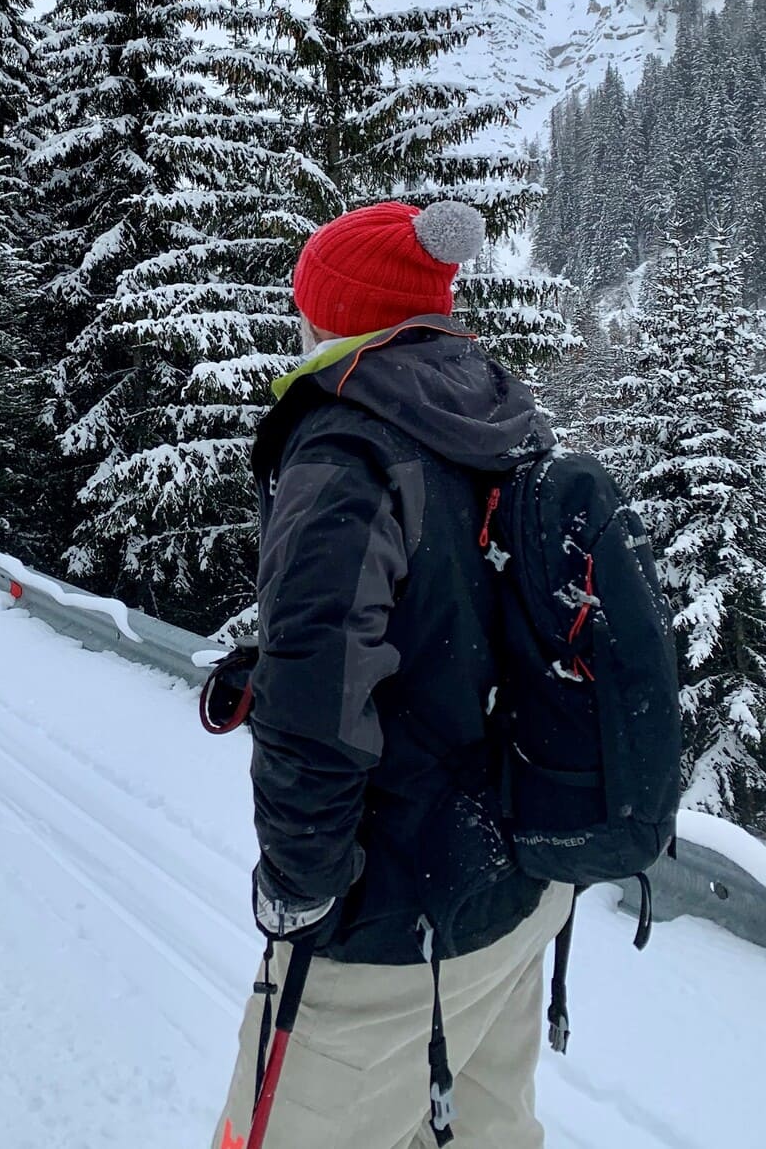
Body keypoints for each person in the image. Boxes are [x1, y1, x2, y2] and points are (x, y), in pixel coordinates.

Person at [211, 199, 573, 1149]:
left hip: (390, 922)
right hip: (515, 885)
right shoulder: (505, 417)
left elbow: (315, 700)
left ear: (339, 313)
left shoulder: (349, 446)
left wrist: (299, 883)